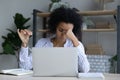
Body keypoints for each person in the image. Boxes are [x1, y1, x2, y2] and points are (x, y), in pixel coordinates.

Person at [17, 7, 90, 72]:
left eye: (68, 32)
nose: (63, 34)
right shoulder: (42, 43)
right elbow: (25, 67)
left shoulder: (77, 45)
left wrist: (74, 40)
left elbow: (85, 69)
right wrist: (24, 44)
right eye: (60, 30)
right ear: (55, 27)